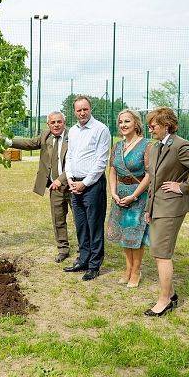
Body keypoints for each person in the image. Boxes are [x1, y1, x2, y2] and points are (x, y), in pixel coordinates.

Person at [144, 106, 189, 316]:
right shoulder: (156, 147)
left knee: (162, 254)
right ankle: (171, 294)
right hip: (157, 207)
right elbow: (153, 181)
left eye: (153, 125)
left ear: (166, 125)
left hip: (171, 208)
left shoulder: (181, 146)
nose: (150, 130)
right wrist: (148, 209)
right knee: (158, 252)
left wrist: (182, 187)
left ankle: (165, 300)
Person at [5, 111, 71, 263]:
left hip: (73, 185)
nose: (56, 125)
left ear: (64, 123)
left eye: (59, 122)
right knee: (58, 219)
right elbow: (29, 144)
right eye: (53, 122)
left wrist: (62, 179)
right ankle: (63, 249)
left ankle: (84, 249)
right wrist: (7, 141)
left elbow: (77, 163)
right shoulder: (45, 136)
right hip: (55, 188)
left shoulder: (72, 136)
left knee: (81, 220)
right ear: (48, 124)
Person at [63, 95, 111, 281]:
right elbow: (70, 157)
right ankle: (83, 260)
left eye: (85, 109)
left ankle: (94, 265)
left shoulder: (101, 130)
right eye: (79, 110)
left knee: (94, 225)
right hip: (75, 184)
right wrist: (70, 179)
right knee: (81, 225)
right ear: (74, 112)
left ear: (90, 109)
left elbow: (101, 162)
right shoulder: (73, 131)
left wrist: (85, 183)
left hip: (92, 186)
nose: (82, 113)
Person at [107, 109, 151, 288]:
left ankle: (136, 271)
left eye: (127, 121)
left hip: (138, 195)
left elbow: (149, 174)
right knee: (124, 234)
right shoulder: (117, 146)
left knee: (135, 235)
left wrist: (134, 195)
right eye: (121, 122)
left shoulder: (147, 145)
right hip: (120, 195)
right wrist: (113, 192)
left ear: (136, 124)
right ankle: (127, 269)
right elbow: (112, 170)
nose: (123, 125)